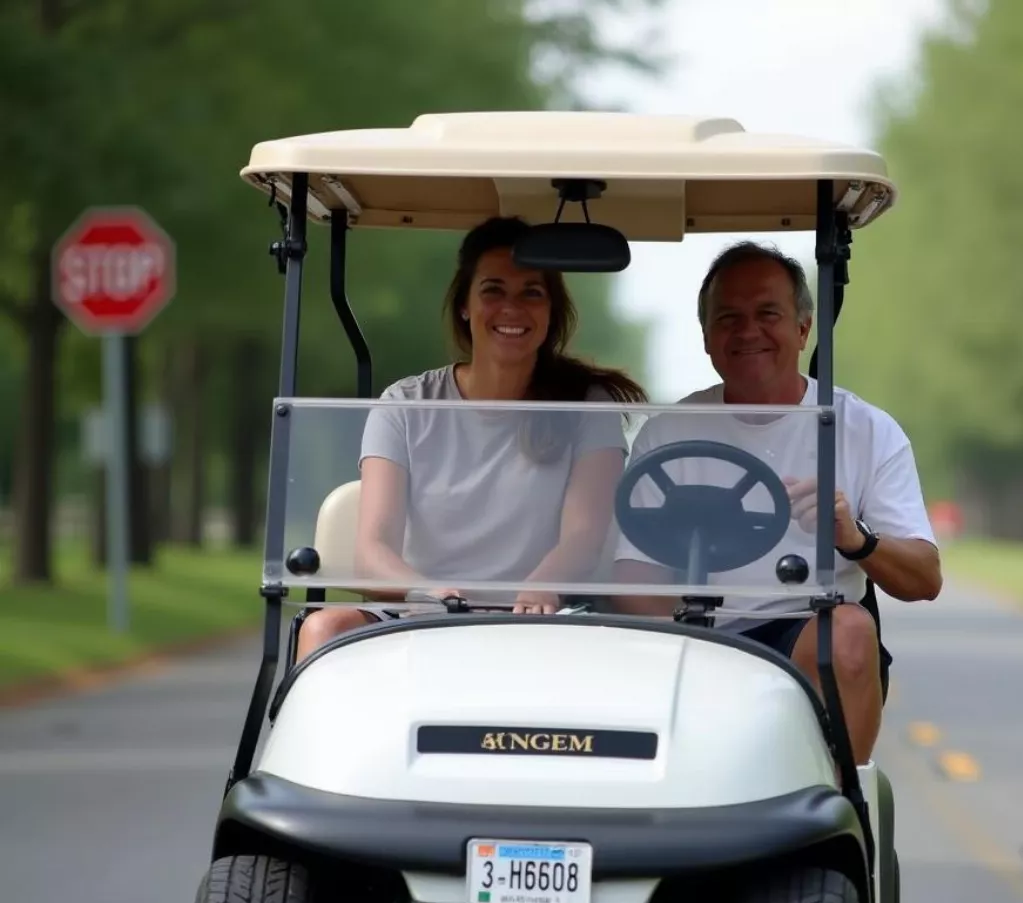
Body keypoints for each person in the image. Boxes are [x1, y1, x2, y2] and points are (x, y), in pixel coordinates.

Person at [611, 241, 942, 766]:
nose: (748, 332)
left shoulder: (863, 429)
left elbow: (924, 579)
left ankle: (836, 805)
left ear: (803, 328)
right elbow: (630, 571)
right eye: (729, 318)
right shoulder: (668, 432)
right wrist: (682, 632)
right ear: (706, 338)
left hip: (803, 627)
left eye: (768, 314)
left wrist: (854, 539)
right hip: (698, 628)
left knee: (852, 632)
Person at [296, 216, 647, 659]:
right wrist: (427, 592)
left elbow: (584, 534)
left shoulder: (586, 406)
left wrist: (540, 588)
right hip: (427, 610)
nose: (511, 308)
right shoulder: (404, 405)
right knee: (323, 628)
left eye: (531, 293)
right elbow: (373, 550)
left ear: (550, 310)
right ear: (464, 303)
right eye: (493, 290)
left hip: (545, 611)